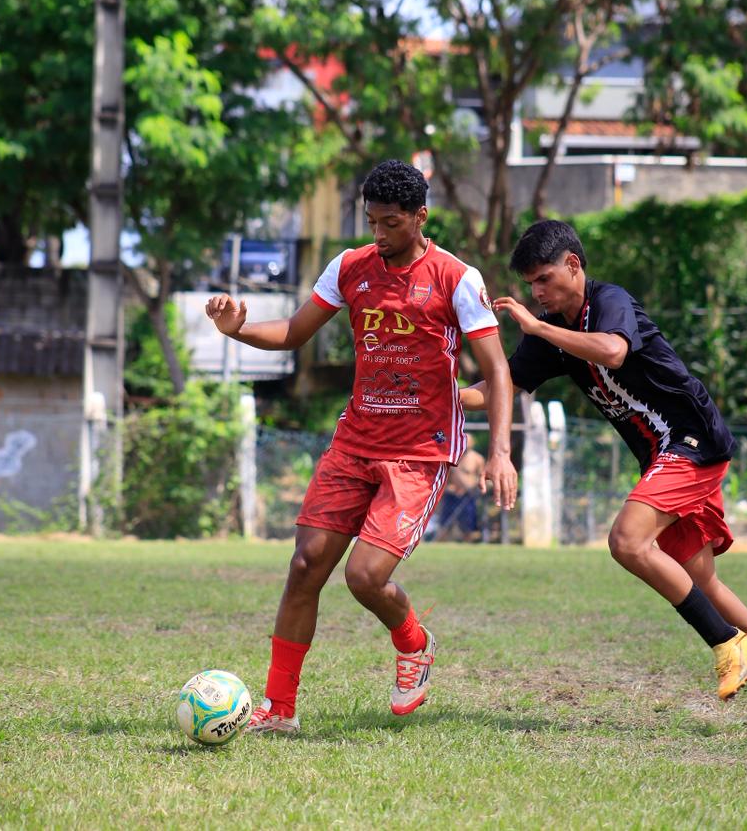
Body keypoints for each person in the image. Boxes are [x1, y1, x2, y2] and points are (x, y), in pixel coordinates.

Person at [205, 159, 517, 735]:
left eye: (391, 222)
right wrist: (238, 330)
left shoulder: (457, 278)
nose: (378, 234)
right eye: (372, 220)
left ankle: (414, 642)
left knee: (365, 577)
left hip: (419, 453)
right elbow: (295, 332)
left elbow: (497, 371)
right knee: (305, 566)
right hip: (354, 443)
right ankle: (279, 711)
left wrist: (498, 452)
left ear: (420, 217)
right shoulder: (350, 267)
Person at [461, 220, 747, 728]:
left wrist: (538, 328)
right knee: (699, 578)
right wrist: (441, 394)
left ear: (574, 266)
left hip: (693, 440)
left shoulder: (608, 301)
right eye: (532, 284)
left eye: (544, 279)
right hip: (665, 458)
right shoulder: (553, 327)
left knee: (626, 541)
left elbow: (614, 350)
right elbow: (502, 384)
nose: (538, 293)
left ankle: (727, 644)